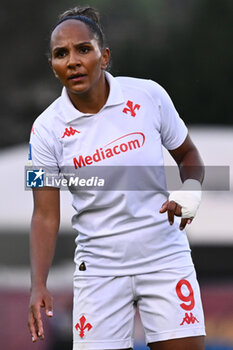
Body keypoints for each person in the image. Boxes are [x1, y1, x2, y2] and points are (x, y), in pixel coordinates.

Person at [28, 6, 206, 350]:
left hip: (164, 258)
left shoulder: (148, 95)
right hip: (99, 270)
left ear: (104, 55)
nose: (73, 60)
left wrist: (191, 192)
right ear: (53, 65)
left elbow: (188, 156)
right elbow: (45, 215)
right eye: (61, 54)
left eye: (83, 49)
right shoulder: (45, 130)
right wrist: (38, 284)